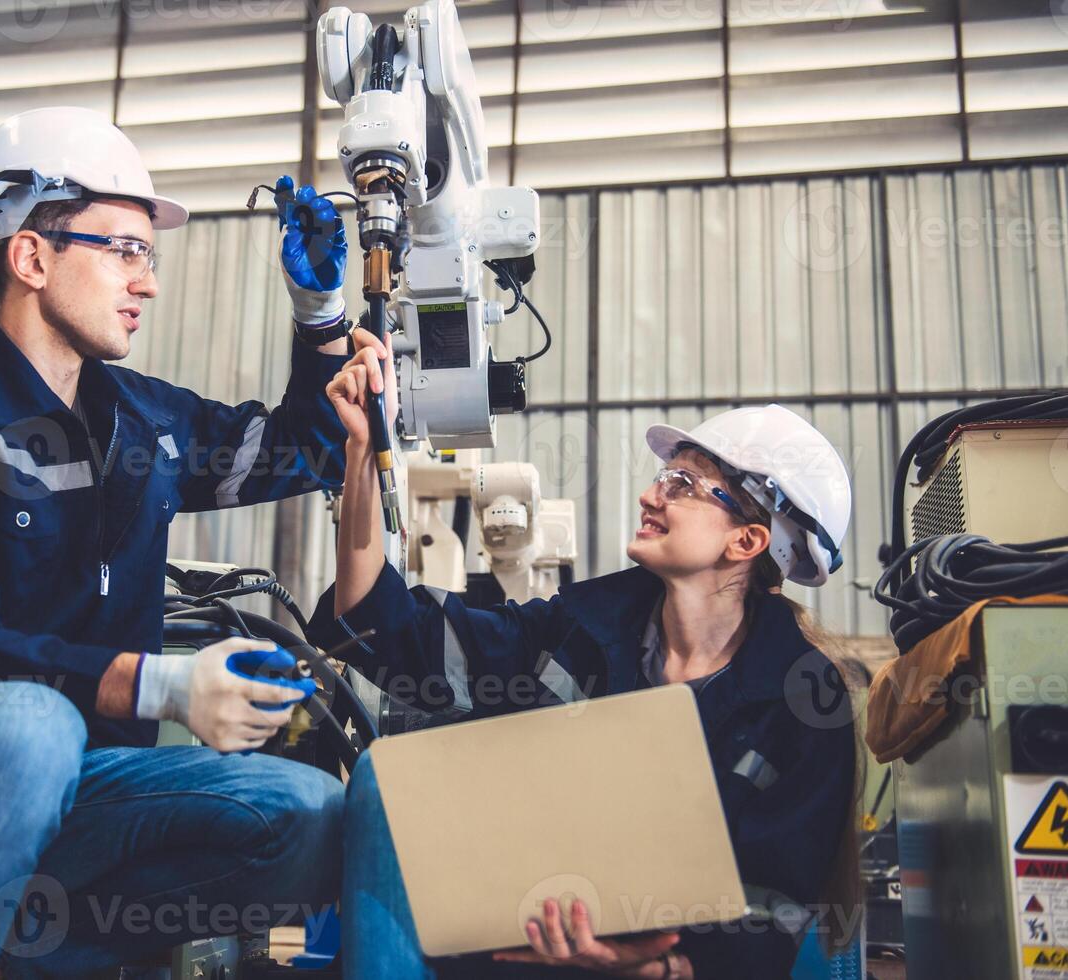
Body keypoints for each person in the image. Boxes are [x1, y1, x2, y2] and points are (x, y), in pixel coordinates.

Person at [0, 106, 387, 978]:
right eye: (124, 250)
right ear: (31, 257)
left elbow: (308, 448)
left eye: (150, 255)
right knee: (27, 727)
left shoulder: (141, 418)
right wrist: (156, 681)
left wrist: (323, 317)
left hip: (77, 793)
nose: (148, 282)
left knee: (310, 812)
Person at [310, 345, 861, 979]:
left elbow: (773, 917)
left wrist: (643, 966)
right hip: (522, 947)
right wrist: (359, 453)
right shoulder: (579, 629)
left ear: (747, 540)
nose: (652, 495)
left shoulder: (802, 701)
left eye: (683, 484)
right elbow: (381, 630)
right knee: (383, 779)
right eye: (664, 476)